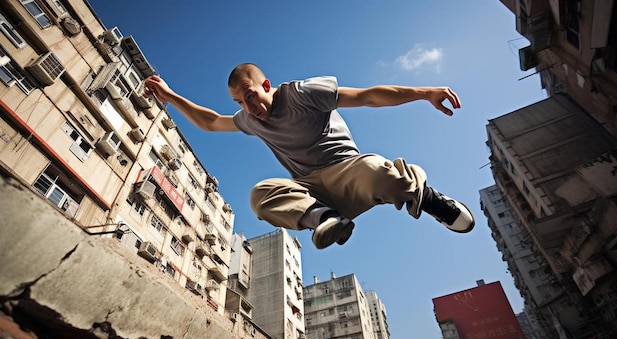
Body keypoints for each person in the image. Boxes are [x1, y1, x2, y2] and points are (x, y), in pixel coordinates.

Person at [143, 63, 475, 249]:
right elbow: (211, 121)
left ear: (267, 85)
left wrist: (424, 93)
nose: (248, 108)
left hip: (346, 170)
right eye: (239, 103)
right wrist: (170, 95)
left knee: (377, 170)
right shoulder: (248, 120)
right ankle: (326, 219)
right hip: (312, 191)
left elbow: (368, 96)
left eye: (250, 96)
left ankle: (428, 198)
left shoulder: (302, 94)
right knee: (260, 195)